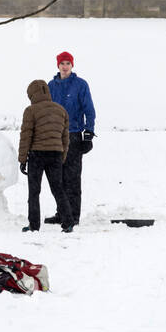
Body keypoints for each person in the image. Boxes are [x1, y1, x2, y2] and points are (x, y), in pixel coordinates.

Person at [47, 51, 96, 226]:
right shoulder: (51, 86)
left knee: (72, 178)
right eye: (62, 63)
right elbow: (45, 111)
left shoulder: (80, 85)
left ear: (72, 65)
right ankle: (61, 214)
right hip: (54, 137)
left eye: (68, 63)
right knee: (57, 178)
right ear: (58, 65)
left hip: (73, 136)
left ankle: (73, 216)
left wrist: (88, 132)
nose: (65, 66)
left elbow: (89, 109)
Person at [19, 79, 72, 233]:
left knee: (34, 192)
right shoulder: (61, 110)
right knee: (58, 189)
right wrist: (62, 156)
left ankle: (34, 226)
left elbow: (26, 136)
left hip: (37, 154)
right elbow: (65, 138)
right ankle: (68, 222)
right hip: (55, 154)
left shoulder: (31, 110)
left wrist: (23, 159)